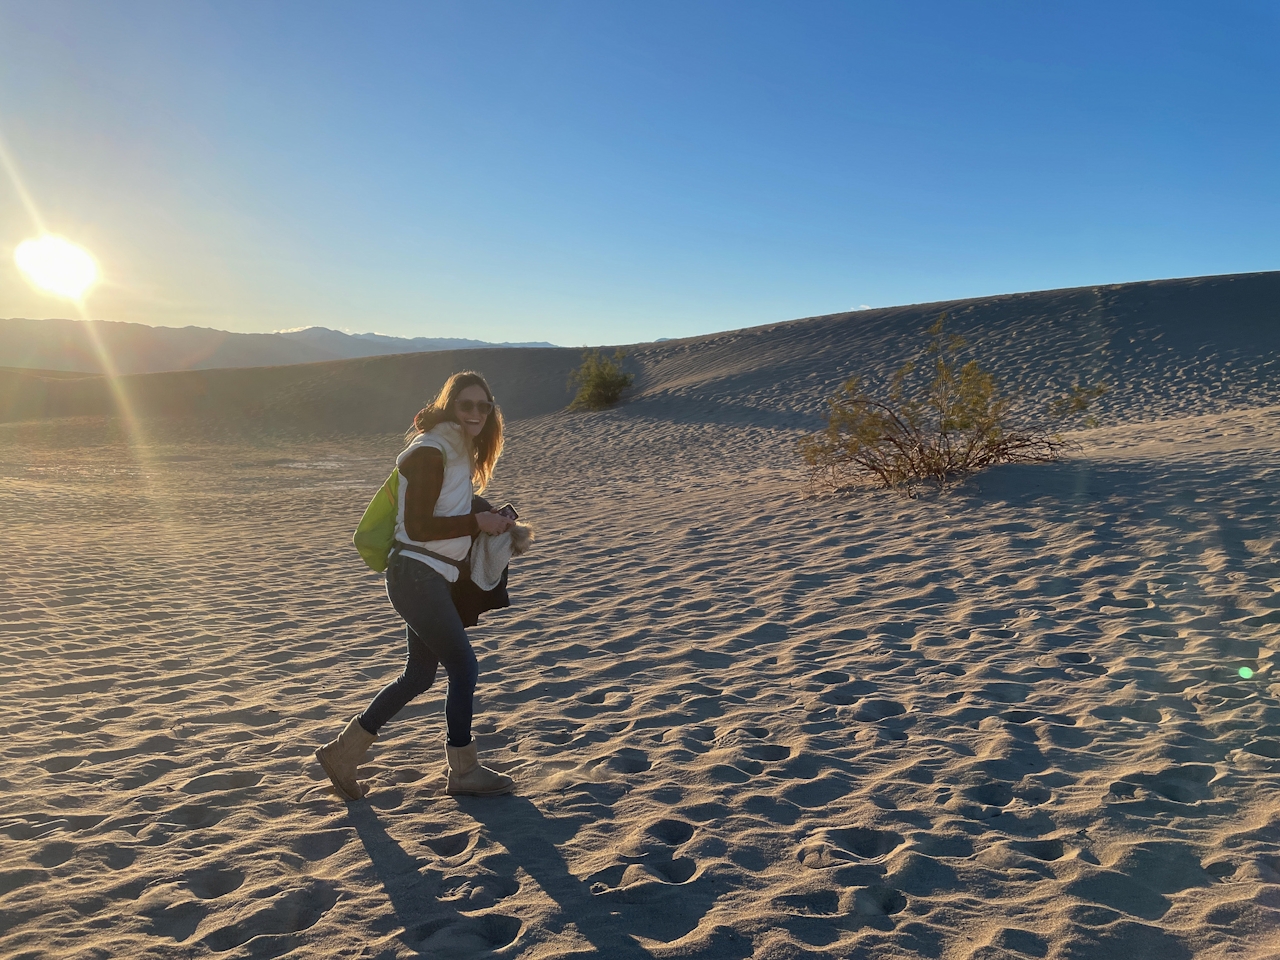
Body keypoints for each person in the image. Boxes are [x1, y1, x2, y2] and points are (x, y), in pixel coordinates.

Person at [316, 371, 517, 801]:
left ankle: (342, 754)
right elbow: (421, 525)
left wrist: (491, 515)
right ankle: (463, 770)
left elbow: (452, 502)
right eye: (468, 405)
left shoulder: (455, 449)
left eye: (485, 406)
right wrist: (476, 521)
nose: (477, 413)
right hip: (416, 576)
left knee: (419, 675)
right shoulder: (430, 450)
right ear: (450, 408)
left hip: (429, 578)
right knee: (464, 667)